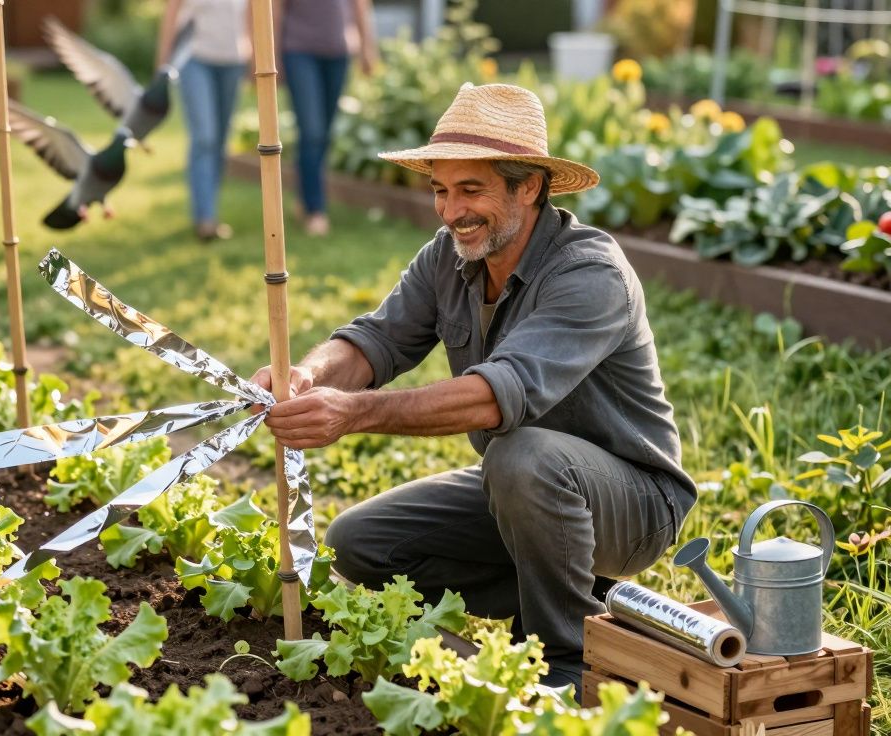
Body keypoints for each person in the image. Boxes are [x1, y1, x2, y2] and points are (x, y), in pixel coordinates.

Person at [252, 83, 697, 691]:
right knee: (360, 544)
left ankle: (566, 661)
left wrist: (352, 412)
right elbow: (375, 341)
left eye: (471, 189)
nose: (450, 209)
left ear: (529, 186)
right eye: (440, 189)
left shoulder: (591, 273)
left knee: (521, 452)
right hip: (524, 487)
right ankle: (576, 592)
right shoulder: (447, 257)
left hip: (634, 502)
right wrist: (308, 374)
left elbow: (494, 396)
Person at [274, 0, 378, 237]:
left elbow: (360, 5)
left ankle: (305, 197)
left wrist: (366, 48)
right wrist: (271, 57)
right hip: (298, 52)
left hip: (338, 53)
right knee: (312, 132)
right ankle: (316, 210)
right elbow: (276, 7)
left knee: (323, 135)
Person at [158, 0, 250, 242]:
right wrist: (164, 61)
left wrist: (256, 56)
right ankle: (205, 219)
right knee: (204, 137)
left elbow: (253, 12)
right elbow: (172, 11)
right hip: (194, 59)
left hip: (233, 61)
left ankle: (210, 210)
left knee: (220, 140)